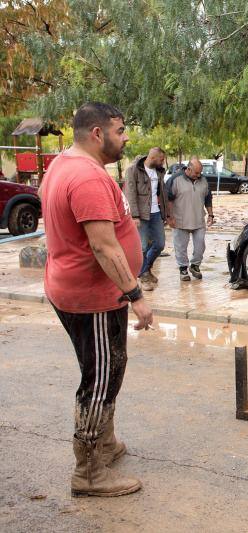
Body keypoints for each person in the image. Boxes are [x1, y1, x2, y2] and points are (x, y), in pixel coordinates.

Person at [39, 102, 153, 497]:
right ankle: (88, 471)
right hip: (93, 299)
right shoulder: (87, 177)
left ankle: (105, 444)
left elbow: (47, 199)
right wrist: (136, 295)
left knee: (103, 369)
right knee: (101, 380)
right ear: (97, 133)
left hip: (75, 288)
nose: (126, 138)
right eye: (120, 131)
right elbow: (104, 247)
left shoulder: (63, 163)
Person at [124, 147, 171, 291]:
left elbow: (162, 194)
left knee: (160, 244)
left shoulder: (159, 171)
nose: (163, 162)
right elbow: (130, 193)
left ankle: (145, 269)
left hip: (156, 213)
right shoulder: (133, 170)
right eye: (161, 159)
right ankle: (144, 276)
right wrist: (134, 216)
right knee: (143, 246)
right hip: (141, 214)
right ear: (153, 157)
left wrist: (166, 214)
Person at [165, 157, 214, 281]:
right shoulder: (175, 179)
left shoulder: (203, 180)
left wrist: (211, 215)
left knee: (200, 246)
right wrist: (169, 217)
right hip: (180, 220)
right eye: (196, 173)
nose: (199, 175)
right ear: (188, 169)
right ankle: (183, 269)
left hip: (198, 220)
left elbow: (208, 198)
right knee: (180, 247)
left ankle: (195, 266)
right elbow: (168, 199)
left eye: (200, 173)